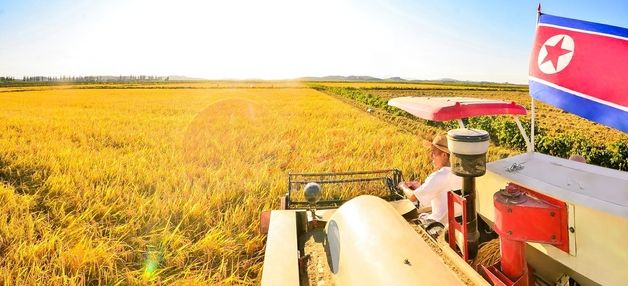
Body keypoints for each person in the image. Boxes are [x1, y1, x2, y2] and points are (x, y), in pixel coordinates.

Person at [398, 134, 462, 224]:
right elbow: (440, 192)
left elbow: (413, 197)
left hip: (439, 225)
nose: (431, 156)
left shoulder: (438, 176)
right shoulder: (461, 173)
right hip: (457, 223)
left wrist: (403, 186)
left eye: (434, 153)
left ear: (444, 155)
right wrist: (421, 187)